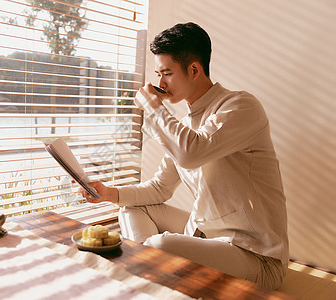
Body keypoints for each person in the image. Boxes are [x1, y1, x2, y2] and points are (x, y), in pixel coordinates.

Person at [80, 22, 289, 290]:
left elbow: (191, 153)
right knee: (131, 207)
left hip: (256, 255)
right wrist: (109, 193)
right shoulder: (185, 128)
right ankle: (147, 270)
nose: (160, 83)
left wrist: (154, 109)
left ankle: (144, 270)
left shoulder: (239, 106)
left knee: (159, 244)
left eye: (167, 73)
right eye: (158, 74)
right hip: (206, 236)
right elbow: (160, 187)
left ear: (194, 69)